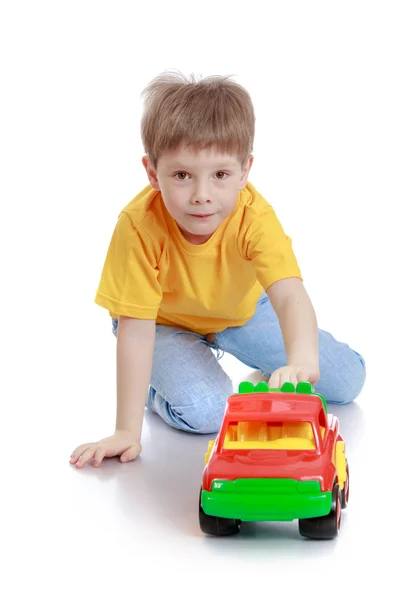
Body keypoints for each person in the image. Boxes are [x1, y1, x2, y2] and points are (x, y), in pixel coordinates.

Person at [70, 70, 366, 469]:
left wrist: (300, 360)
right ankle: (154, 392)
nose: (201, 196)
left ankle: (266, 363)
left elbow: (290, 294)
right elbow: (136, 331)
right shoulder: (138, 226)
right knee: (208, 412)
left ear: (245, 171)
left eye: (221, 175)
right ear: (153, 173)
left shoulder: (253, 216)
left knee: (345, 381)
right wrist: (126, 430)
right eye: (181, 176)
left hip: (238, 312)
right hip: (162, 323)